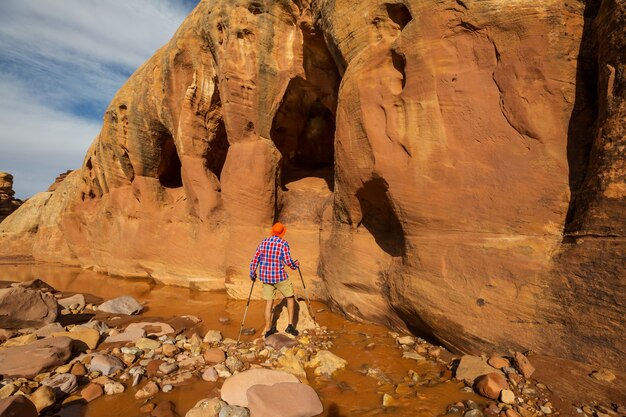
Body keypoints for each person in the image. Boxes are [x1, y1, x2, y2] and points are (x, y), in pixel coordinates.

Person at [250, 222, 300, 338]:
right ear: (282, 233)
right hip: (280, 277)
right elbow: (288, 261)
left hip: (266, 277)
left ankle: (268, 329)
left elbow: (255, 259)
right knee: (290, 298)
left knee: (269, 302)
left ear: (272, 232)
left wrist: (252, 273)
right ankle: (290, 326)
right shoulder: (283, 244)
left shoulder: (264, 242)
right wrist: (295, 265)